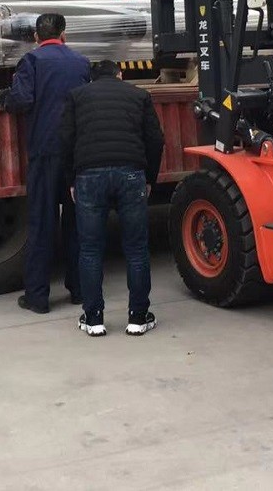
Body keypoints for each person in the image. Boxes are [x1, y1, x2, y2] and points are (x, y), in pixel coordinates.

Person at [59, 60, 164, 338]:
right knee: (136, 249)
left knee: (90, 250)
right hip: (131, 173)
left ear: (91, 79)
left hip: (89, 175)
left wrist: (72, 180)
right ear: (120, 74)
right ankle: (138, 317)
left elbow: (65, 141)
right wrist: (149, 178)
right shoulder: (139, 95)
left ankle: (93, 318)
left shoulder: (77, 96)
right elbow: (156, 140)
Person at [0, 13, 91, 315]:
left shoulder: (32, 61)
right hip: (75, 154)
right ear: (64, 34)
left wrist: (5, 97)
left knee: (42, 224)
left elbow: (22, 100)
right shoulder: (81, 63)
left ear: (36, 37)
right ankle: (79, 290)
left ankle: (37, 297)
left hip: (45, 152)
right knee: (77, 224)